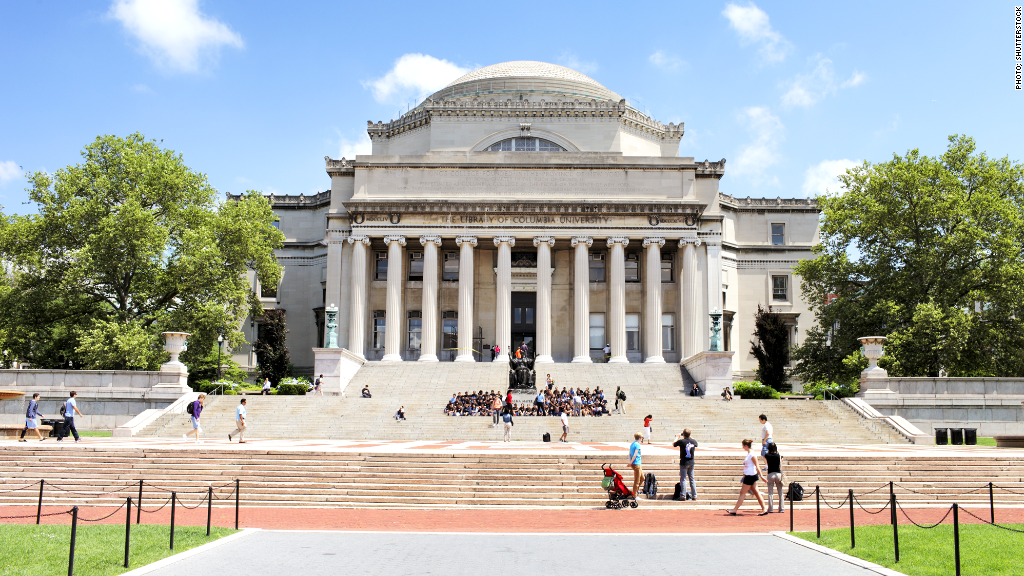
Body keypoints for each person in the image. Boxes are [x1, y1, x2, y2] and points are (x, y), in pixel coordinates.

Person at [727, 439, 767, 515]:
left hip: (750, 476)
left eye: (743, 446)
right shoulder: (750, 454)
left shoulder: (752, 454)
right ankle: (764, 509)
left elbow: (757, 465)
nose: (742, 447)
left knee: (742, 493)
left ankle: (735, 510)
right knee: (756, 493)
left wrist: (761, 476)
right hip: (749, 475)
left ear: (746, 446)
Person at [673, 429, 698, 501]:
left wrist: (677, 437)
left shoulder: (682, 441)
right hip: (691, 462)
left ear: (683, 435)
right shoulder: (693, 441)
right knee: (692, 479)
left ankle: (683, 496)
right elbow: (695, 441)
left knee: (683, 479)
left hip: (684, 462)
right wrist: (689, 436)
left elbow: (674, 444)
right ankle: (694, 496)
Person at [764, 441, 785, 513]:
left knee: (770, 493)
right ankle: (781, 508)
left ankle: (770, 509)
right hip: (778, 474)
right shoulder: (778, 456)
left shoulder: (767, 456)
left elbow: (765, 455)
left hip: (770, 474)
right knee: (780, 492)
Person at [629, 432, 643, 497]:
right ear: (640, 438)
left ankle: (635, 490)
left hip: (637, 463)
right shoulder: (637, 445)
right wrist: (631, 462)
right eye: (642, 438)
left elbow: (629, 454)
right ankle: (635, 495)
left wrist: (630, 462)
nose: (642, 439)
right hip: (636, 463)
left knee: (642, 478)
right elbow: (635, 455)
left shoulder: (632, 444)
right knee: (637, 480)